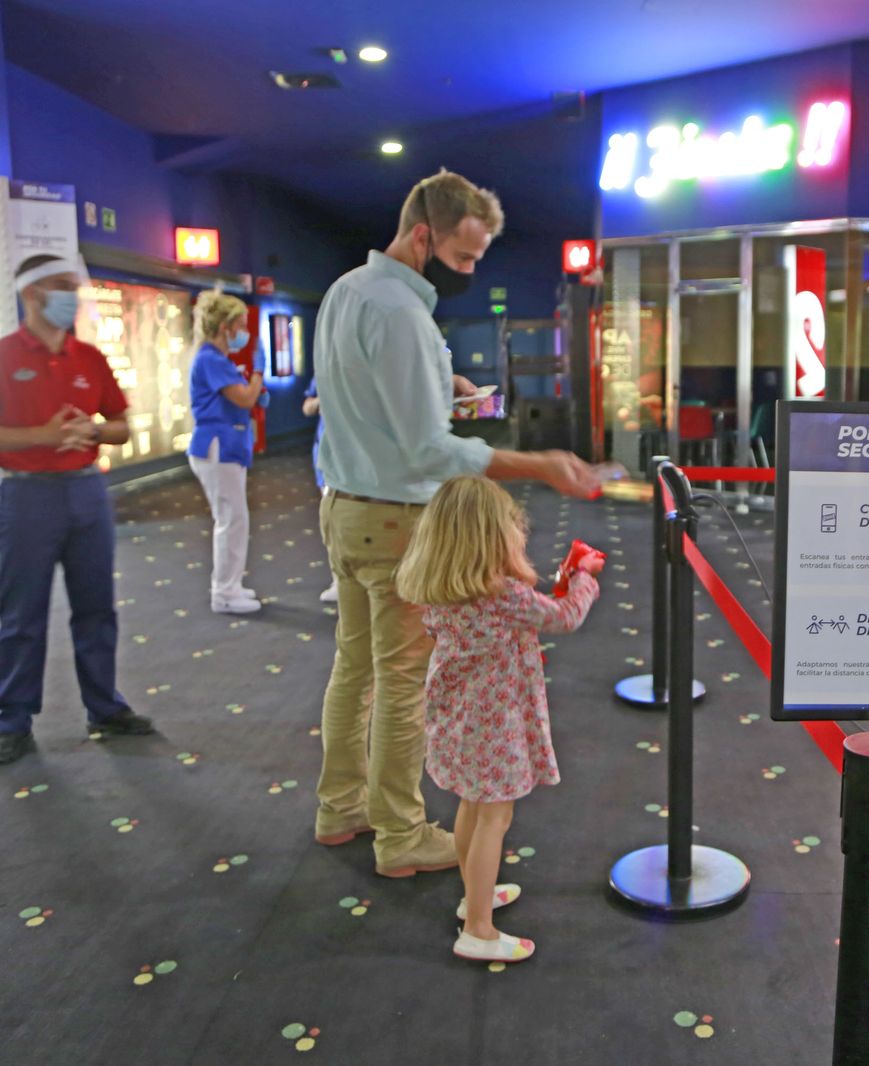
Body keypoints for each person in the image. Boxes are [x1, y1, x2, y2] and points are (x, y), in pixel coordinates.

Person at [311, 168, 602, 878]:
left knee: (356, 669)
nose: (472, 270)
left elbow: (367, 401)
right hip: (394, 521)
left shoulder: (348, 290)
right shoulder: (403, 312)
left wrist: (447, 389)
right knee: (404, 680)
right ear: (423, 235)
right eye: (465, 257)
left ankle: (340, 805)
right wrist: (538, 465)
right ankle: (401, 835)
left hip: (343, 510)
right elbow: (428, 450)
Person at [0, 254, 154, 764]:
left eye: (74, 287)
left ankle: (105, 709)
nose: (73, 297)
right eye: (62, 287)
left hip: (87, 492)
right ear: (31, 294)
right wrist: (40, 436)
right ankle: (13, 723)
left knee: (96, 608)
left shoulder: (89, 357)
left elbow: (121, 426)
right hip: (27, 497)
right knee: (22, 615)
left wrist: (91, 430)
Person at [395, 476, 601, 962]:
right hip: (493, 724)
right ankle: (480, 930)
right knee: (495, 816)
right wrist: (585, 576)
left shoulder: (443, 588)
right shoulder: (501, 593)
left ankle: (475, 898)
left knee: (472, 806)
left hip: (456, 717)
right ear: (492, 538)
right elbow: (565, 616)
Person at [187, 291, 265, 615]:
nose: (244, 332)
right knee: (230, 519)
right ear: (225, 326)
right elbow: (244, 398)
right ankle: (224, 592)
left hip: (227, 446)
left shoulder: (219, 361)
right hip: (216, 446)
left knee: (235, 518)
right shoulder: (210, 359)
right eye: (241, 325)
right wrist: (259, 374)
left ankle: (230, 584)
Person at [302, 377, 339, 605]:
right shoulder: (323, 370)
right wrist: (321, 403)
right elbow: (307, 407)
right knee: (331, 520)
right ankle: (338, 579)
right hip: (325, 452)